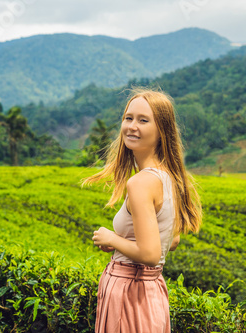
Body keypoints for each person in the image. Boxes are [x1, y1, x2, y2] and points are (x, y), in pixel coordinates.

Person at [80, 87, 203, 332]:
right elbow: (173, 239)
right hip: (150, 290)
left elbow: (149, 254)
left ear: (161, 131)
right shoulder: (170, 177)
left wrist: (112, 238)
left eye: (143, 120)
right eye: (129, 118)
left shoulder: (140, 183)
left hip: (129, 290)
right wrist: (125, 243)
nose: (132, 126)